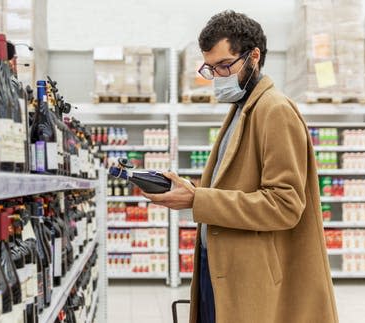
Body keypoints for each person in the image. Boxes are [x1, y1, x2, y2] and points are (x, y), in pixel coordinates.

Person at [142, 10, 339, 323]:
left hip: (250, 277)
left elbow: (284, 204)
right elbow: (237, 186)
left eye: (224, 65)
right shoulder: (241, 108)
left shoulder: (274, 110)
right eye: (210, 68)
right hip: (221, 268)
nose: (218, 76)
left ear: (254, 57)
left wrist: (198, 200)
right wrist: (192, 190)